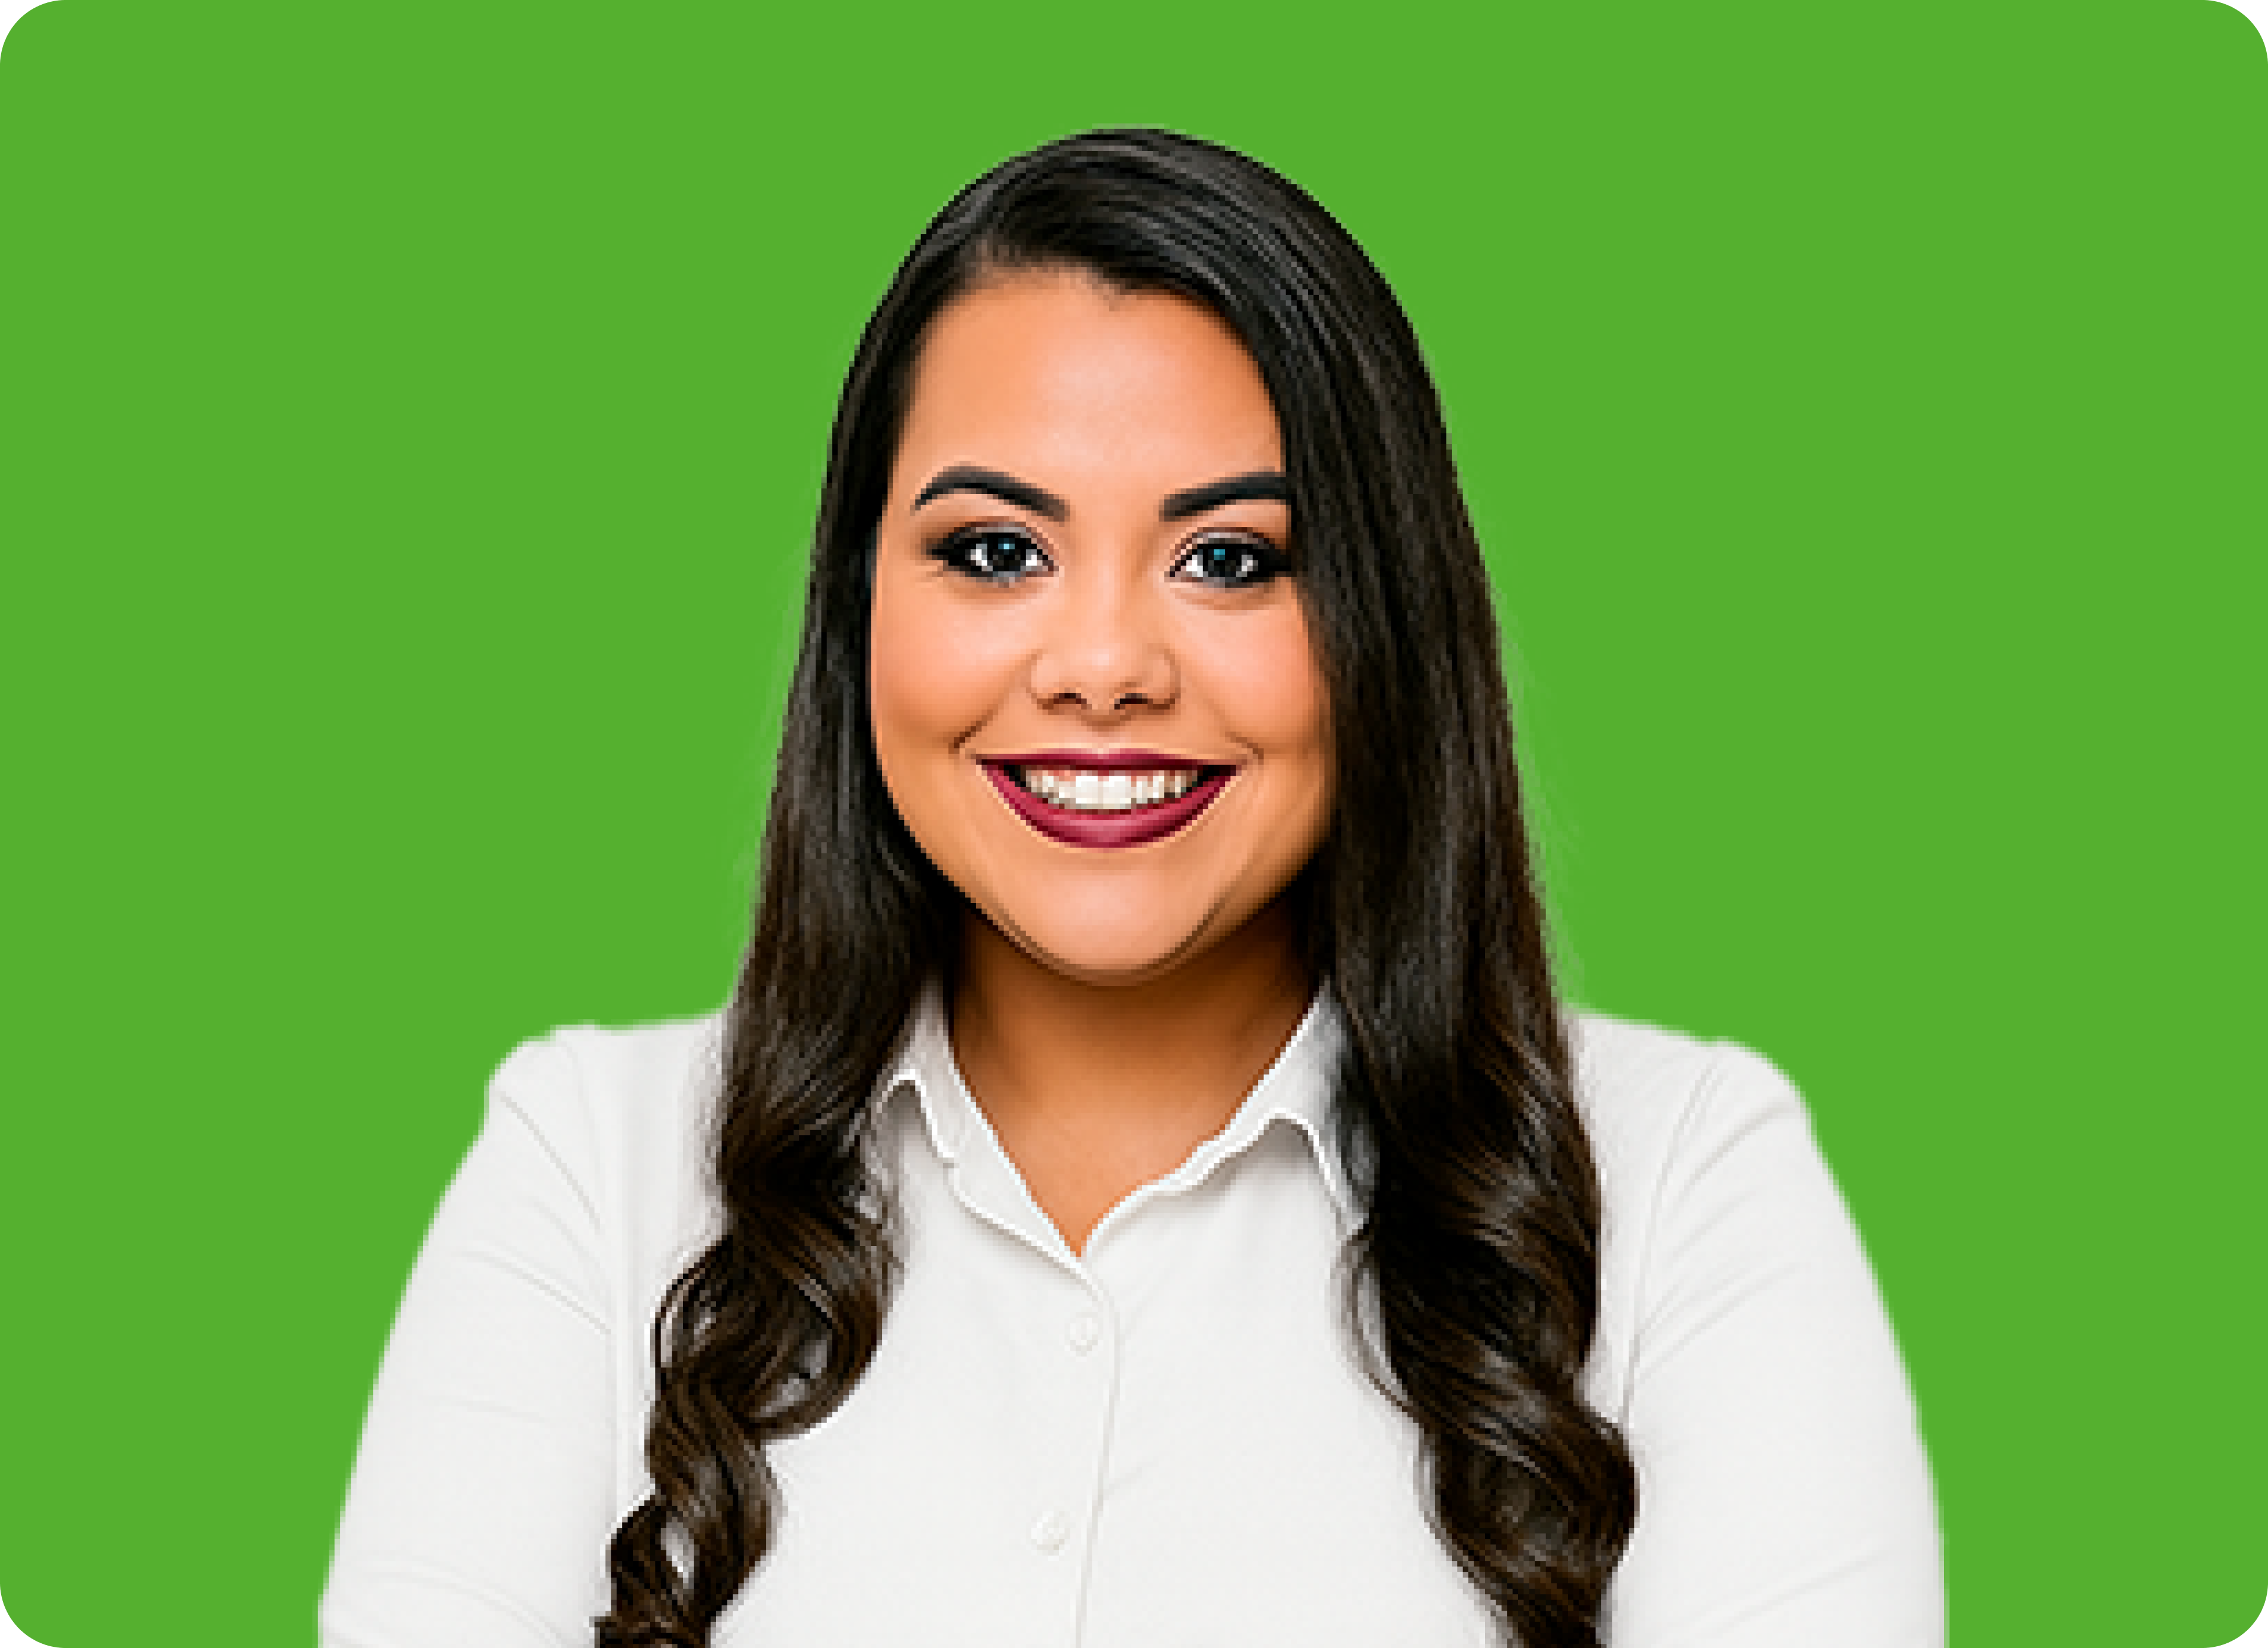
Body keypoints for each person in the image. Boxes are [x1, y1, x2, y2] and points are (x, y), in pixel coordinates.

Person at [320, 129, 1942, 1648]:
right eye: (995, 551)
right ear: (857, 607)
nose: (1102, 668)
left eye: (1231, 559)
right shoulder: (595, 1170)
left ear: (1386, 621)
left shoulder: (1683, 1185)